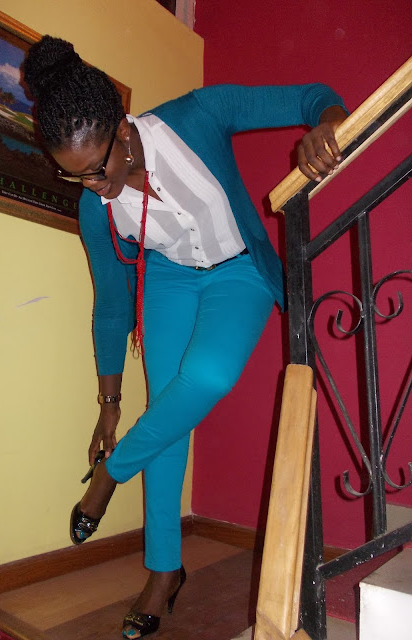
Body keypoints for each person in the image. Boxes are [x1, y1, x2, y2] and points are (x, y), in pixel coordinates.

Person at [23, 35, 347, 639]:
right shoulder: (96, 207)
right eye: (74, 175)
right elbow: (112, 306)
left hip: (238, 271)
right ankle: (163, 572)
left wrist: (327, 126)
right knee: (167, 424)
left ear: (123, 131)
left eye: (97, 169)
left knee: (209, 376)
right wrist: (109, 405)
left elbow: (314, 97)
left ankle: (111, 475)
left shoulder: (199, 114)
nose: (91, 185)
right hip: (168, 283)